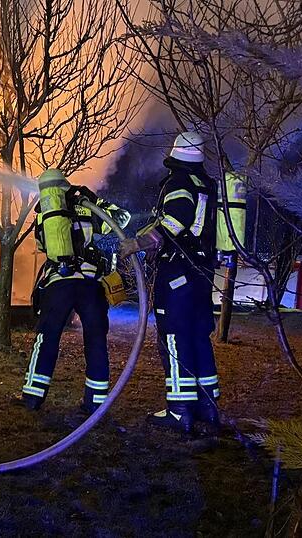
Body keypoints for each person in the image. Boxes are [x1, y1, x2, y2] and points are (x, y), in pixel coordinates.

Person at [119, 132, 221, 433]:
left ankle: (179, 411)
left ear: (175, 158)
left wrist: (138, 243)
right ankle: (208, 409)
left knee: (174, 339)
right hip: (201, 274)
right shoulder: (207, 185)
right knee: (199, 339)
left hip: (178, 274)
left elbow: (173, 223)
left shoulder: (179, 183)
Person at [17, 168, 130, 412]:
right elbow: (122, 220)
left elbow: (40, 243)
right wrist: (94, 205)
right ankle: (96, 401)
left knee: (47, 337)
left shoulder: (45, 211)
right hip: (90, 282)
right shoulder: (88, 205)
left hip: (59, 281)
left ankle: (32, 397)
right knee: (96, 339)